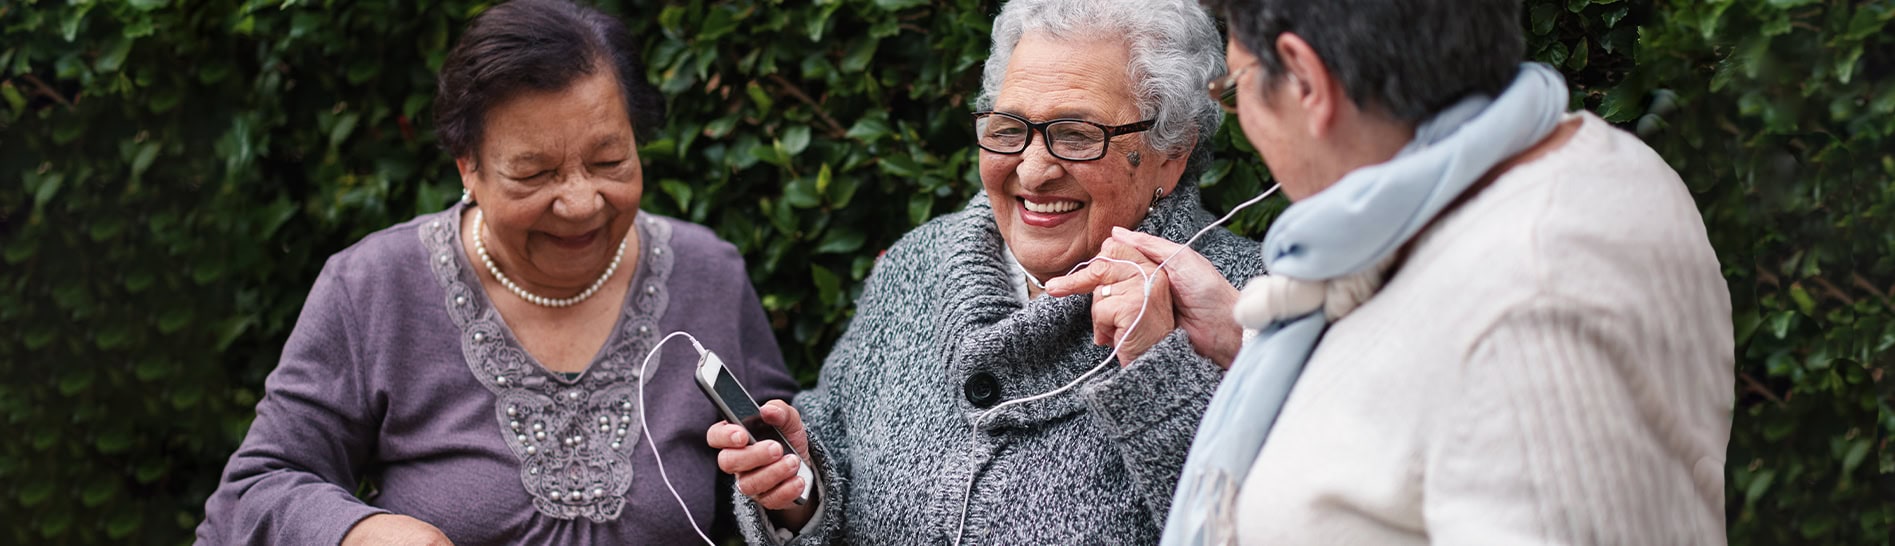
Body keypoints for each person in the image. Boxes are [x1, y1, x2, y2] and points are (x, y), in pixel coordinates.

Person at [1054, 0, 1736, 544]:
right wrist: (1244, 339)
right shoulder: (1575, 169)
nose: (1246, 127)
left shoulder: (1532, 309)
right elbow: (1415, 391)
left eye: (1235, 92)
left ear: (1304, 79)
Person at [195, 1, 797, 543]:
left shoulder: (709, 274)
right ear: (469, 169)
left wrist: (792, 492)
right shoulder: (374, 286)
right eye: (534, 174)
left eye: (610, 160)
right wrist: (357, 531)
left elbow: (799, 491)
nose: (582, 201)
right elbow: (254, 491)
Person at [702, 0, 1262, 543]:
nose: (1035, 170)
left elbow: (1255, 524)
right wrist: (801, 489)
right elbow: (832, 437)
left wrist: (1158, 371)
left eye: (1077, 135)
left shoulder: (1252, 308)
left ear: (1174, 149)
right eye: (1008, 127)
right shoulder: (917, 264)